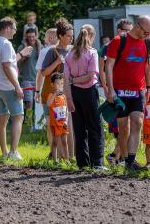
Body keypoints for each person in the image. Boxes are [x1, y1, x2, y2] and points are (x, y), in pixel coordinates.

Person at [105, 15, 150, 171]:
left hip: (138, 90)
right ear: (138, 26)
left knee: (138, 122)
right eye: (146, 32)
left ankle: (131, 161)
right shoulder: (119, 41)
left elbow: (148, 65)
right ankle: (125, 161)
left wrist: (149, 87)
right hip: (120, 91)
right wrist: (110, 89)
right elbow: (109, 66)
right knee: (123, 127)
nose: (148, 36)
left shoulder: (147, 42)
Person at [0, 16, 32, 159]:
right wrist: (17, 86)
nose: (15, 31)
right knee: (18, 117)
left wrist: (20, 54)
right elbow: (6, 66)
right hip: (8, 87)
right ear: (7, 28)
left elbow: (8, 62)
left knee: (2, 121)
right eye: (13, 28)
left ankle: (4, 153)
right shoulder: (6, 44)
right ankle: (13, 152)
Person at [64, 24, 105, 169]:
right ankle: (97, 162)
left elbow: (66, 80)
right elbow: (90, 76)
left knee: (79, 129)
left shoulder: (69, 54)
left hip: (74, 94)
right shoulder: (92, 53)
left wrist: (68, 99)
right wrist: (76, 80)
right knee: (95, 127)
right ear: (91, 37)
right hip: (89, 92)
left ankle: (82, 163)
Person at [99, 19, 133, 165]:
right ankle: (117, 156)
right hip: (114, 90)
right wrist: (106, 87)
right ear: (119, 31)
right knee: (119, 126)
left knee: (129, 126)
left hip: (130, 89)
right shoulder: (107, 47)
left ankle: (116, 155)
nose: (129, 33)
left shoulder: (132, 44)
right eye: (126, 30)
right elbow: (102, 70)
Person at [41, 18, 74, 158]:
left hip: (67, 96)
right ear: (60, 36)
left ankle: (69, 157)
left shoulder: (73, 50)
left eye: (72, 36)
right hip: (52, 95)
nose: (71, 39)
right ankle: (57, 157)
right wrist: (57, 62)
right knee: (55, 127)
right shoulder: (51, 51)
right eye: (68, 36)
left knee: (67, 127)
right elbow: (44, 72)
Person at [34, 28, 57, 146]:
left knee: (49, 123)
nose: (43, 39)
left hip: (48, 91)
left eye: (45, 37)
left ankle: (53, 152)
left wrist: (37, 91)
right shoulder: (66, 50)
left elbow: (40, 74)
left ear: (51, 38)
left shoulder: (44, 51)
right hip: (63, 92)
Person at [17, 28, 41, 120]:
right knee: (29, 102)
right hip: (26, 78)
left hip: (38, 79)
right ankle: (29, 123)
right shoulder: (22, 47)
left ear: (36, 36)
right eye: (29, 37)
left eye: (33, 36)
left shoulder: (40, 47)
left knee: (39, 102)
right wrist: (24, 57)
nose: (31, 39)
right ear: (26, 37)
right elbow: (17, 62)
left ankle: (39, 123)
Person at [47, 72, 69, 161]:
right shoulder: (51, 95)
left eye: (62, 84)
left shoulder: (63, 96)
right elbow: (48, 104)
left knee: (65, 142)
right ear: (52, 84)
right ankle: (55, 160)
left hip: (63, 123)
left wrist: (66, 121)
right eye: (58, 83)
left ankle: (67, 160)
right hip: (55, 124)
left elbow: (66, 109)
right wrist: (55, 94)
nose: (60, 86)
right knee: (55, 142)